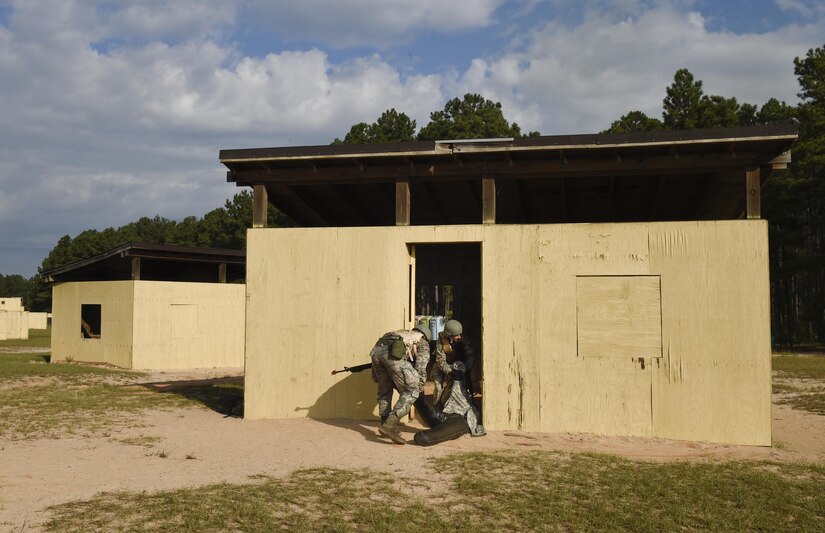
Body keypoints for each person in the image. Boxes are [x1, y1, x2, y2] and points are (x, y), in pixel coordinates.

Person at [370, 326, 431, 444]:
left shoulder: (402, 333)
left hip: (376, 352)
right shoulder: (422, 341)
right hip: (391, 356)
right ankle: (389, 426)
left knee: (385, 391)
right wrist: (419, 386)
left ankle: (384, 425)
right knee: (412, 391)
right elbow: (421, 367)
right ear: (425, 335)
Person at [431, 319, 485, 437]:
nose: (459, 337)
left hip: (460, 365)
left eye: (460, 334)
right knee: (438, 388)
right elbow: (440, 360)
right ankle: (435, 413)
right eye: (456, 335)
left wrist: (464, 369)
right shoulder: (442, 339)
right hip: (444, 366)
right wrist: (450, 371)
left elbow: (471, 356)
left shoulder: (464, 340)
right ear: (449, 334)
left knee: (457, 389)